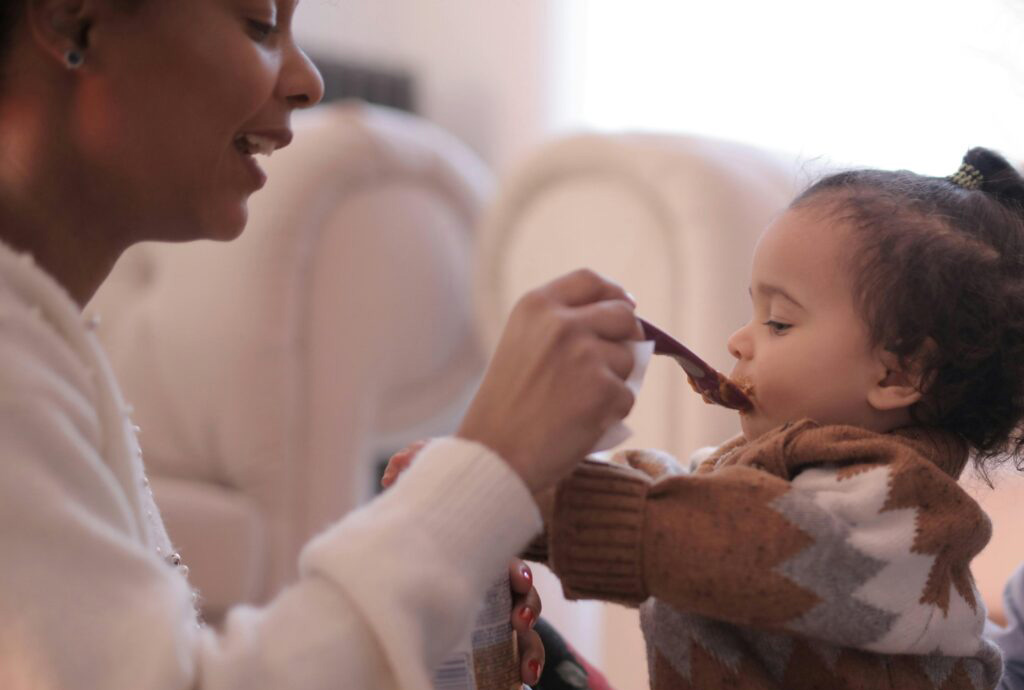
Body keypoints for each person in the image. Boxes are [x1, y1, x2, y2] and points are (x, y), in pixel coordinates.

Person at [0, 1, 644, 689]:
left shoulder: (46, 344)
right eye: (257, 23)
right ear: (73, 20)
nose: (308, 82)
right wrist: (489, 465)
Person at [388, 147, 1024, 688]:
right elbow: (669, 488)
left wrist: (531, 498)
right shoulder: (769, 479)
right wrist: (503, 491)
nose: (739, 341)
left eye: (779, 321)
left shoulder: (905, 515)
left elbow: (747, 540)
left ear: (898, 374)